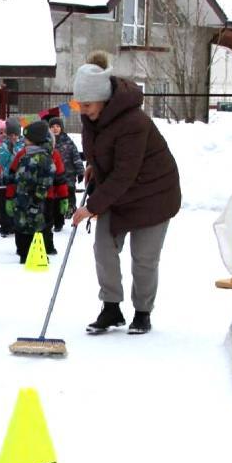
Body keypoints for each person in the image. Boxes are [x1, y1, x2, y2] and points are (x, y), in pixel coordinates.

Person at [69, 52, 181, 335]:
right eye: (80, 104)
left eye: (87, 104)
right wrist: (94, 165)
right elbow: (102, 151)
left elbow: (124, 174)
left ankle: (142, 312)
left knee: (143, 258)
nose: (83, 110)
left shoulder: (134, 122)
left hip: (153, 194)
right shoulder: (92, 118)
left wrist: (90, 207)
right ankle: (111, 308)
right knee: (104, 247)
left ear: (103, 99)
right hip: (118, 194)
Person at [5, 120, 66, 263]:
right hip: (22, 198)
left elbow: (53, 179)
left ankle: (42, 251)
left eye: (26, 138)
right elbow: (14, 175)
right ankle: (23, 252)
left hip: (40, 200)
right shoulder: (23, 154)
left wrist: (61, 196)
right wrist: (9, 193)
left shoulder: (47, 157)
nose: (23, 141)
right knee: (21, 224)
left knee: (40, 225)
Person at [49, 115, 84, 232]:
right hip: (53, 175)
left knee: (69, 190)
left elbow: (76, 157)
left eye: (58, 126)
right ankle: (56, 215)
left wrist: (80, 172)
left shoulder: (68, 141)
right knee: (55, 196)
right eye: (53, 126)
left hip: (68, 174)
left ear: (61, 128)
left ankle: (70, 207)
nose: (55, 129)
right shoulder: (47, 142)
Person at [0, 118, 24, 237]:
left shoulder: (23, 144)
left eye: (16, 135)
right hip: (6, 179)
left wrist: (16, 153)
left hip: (20, 179)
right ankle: (6, 226)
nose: (14, 137)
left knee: (18, 203)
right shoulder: (3, 145)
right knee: (5, 204)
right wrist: (9, 152)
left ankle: (16, 225)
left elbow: (24, 158)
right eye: (11, 135)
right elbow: (0, 160)